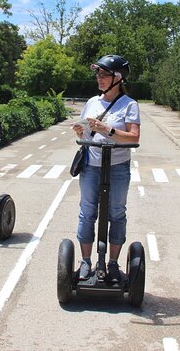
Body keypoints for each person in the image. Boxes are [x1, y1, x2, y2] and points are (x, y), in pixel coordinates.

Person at [72, 54, 141, 283]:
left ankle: (112, 263)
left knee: (117, 214)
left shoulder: (129, 105)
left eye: (104, 75)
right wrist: (81, 131)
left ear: (118, 78)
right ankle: (85, 261)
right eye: (98, 74)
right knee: (87, 212)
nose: (99, 79)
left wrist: (107, 130)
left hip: (118, 166)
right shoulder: (92, 102)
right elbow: (84, 130)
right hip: (91, 165)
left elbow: (133, 138)